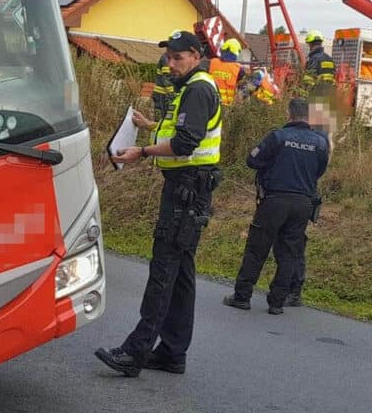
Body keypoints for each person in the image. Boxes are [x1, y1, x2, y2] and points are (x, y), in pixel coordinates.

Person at [96, 30, 222, 377]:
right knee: (180, 274)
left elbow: (184, 143)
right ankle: (172, 353)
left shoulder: (197, 89)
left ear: (196, 55)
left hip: (186, 190)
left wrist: (141, 151)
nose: (171, 64)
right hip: (191, 189)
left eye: (178, 58)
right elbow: (184, 131)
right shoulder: (194, 86)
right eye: (168, 57)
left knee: (164, 270)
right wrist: (149, 124)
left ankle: (135, 352)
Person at [223, 97, 329, 314]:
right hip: (303, 203)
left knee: (257, 248)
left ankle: (242, 296)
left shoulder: (278, 137)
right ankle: (277, 302)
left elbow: (252, 160)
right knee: (290, 253)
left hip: (275, 200)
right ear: (308, 117)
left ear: (289, 114)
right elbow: (320, 170)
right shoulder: (320, 143)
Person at [207, 36, 247, 106]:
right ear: (236, 52)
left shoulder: (212, 62)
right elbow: (243, 89)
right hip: (226, 106)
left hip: (209, 103)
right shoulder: (239, 69)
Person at [302, 30, 337, 97]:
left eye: (308, 44)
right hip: (329, 94)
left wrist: (303, 96)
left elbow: (308, 80)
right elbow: (334, 77)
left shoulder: (314, 58)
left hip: (316, 95)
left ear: (311, 44)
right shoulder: (330, 59)